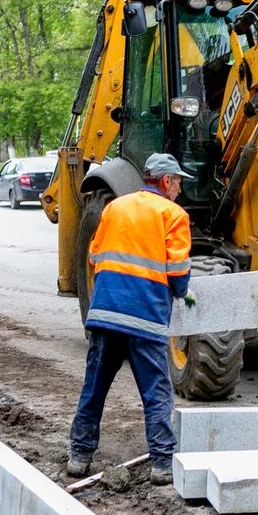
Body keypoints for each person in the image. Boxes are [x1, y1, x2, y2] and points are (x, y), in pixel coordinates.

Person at [67, 153, 195, 485]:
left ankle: (79, 457)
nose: (180, 189)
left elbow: (95, 256)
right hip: (146, 321)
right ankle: (162, 464)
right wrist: (182, 292)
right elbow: (178, 274)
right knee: (156, 393)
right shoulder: (174, 215)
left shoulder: (114, 207)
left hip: (106, 315)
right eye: (179, 182)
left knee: (94, 389)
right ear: (166, 182)